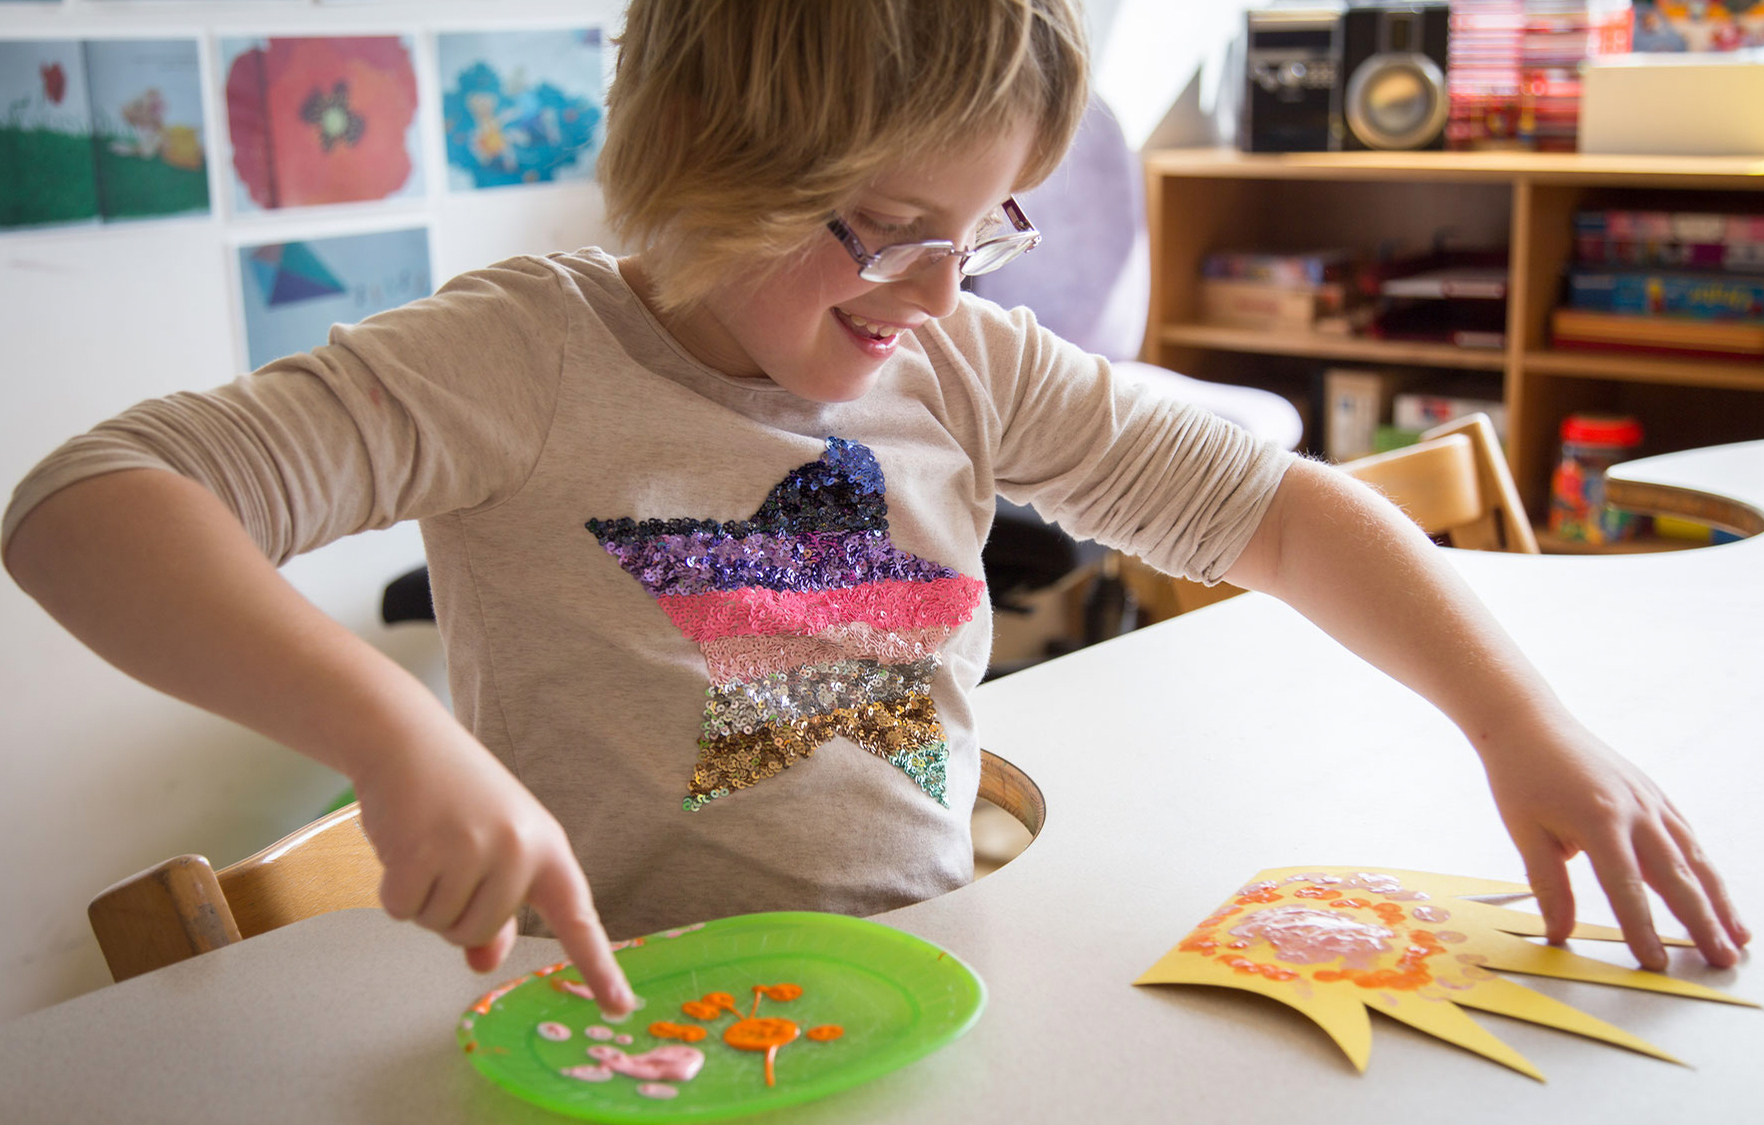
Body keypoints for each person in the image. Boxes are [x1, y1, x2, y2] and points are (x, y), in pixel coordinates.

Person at [2, 0, 1746, 1019]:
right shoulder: (519, 358)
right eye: (891, 228)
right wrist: (392, 737)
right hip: (626, 1028)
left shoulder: (965, 358)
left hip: (923, 979)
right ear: (706, 160)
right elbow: (85, 503)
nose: (934, 289)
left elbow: (1285, 515)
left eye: (980, 233)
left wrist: (1522, 723)